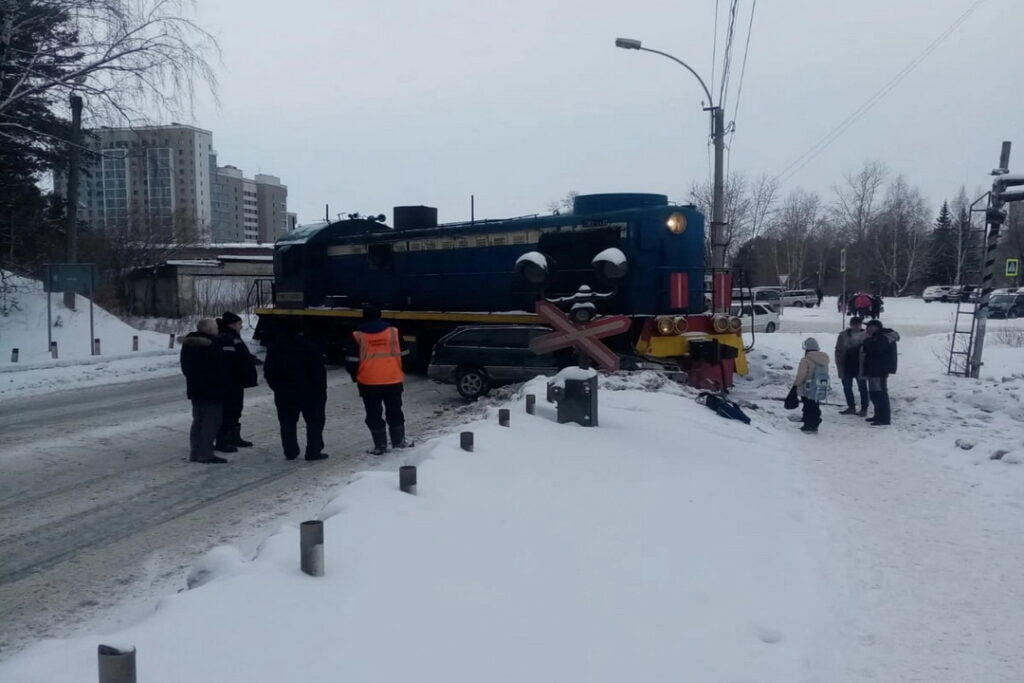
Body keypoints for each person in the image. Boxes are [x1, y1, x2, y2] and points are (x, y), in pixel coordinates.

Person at [346, 305, 412, 455]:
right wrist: (400, 370)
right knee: (395, 411)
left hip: (368, 382)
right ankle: (399, 442)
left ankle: (380, 446)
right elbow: (406, 354)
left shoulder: (357, 335)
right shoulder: (393, 332)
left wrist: (356, 377)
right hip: (393, 380)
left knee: (373, 414)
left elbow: (351, 361)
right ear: (380, 316)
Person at [263, 320, 329, 461]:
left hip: (284, 392)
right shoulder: (309, 347)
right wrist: (321, 390)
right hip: (309, 392)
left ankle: (290, 451)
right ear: (301, 331)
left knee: (287, 422)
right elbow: (318, 372)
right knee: (314, 422)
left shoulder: (274, 348)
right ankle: (313, 451)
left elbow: (268, 371)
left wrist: (276, 387)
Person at [179, 318, 231, 464]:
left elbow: (186, 368)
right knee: (211, 422)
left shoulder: (189, 345)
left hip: (195, 389)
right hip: (212, 390)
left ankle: (195, 452)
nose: (217, 329)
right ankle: (205, 453)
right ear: (208, 330)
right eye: (215, 327)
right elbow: (219, 369)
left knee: (198, 421)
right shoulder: (212, 346)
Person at [215, 311, 258, 453]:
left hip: (236, 380)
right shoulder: (226, 338)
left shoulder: (232, 337)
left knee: (236, 410)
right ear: (232, 324)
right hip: (230, 381)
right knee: (229, 410)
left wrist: (252, 360)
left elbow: (241, 355)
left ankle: (234, 437)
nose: (241, 326)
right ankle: (222, 441)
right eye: (240, 323)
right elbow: (230, 359)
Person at [860, 320, 900, 426]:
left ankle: (884, 418)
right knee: (874, 393)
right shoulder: (879, 336)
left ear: (875, 327)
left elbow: (876, 349)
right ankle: (878, 415)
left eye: (869, 327)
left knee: (880, 393)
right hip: (874, 369)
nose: (867, 329)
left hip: (879, 370)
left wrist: (866, 341)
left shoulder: (883, 337)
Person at [792, 337, 830, 433]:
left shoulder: (806, 360)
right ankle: (813, 421)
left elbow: (801, 375)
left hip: (807, 387)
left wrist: (796, 385)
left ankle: (810, 424)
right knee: (814, 404)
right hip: (819, 386)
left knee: (808, 405)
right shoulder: (824, 359)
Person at [834, 316, 869, 416]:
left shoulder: (866, 336)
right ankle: (851, 407)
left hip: (861, 366)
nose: (856, 327)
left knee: (862, 388)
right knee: (847, 387)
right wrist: (838, 361)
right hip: (846, 366)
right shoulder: (843, 335)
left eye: (858, 325)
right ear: (851, 325)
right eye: (854, 325)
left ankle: (864, 409)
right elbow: (838, 349)